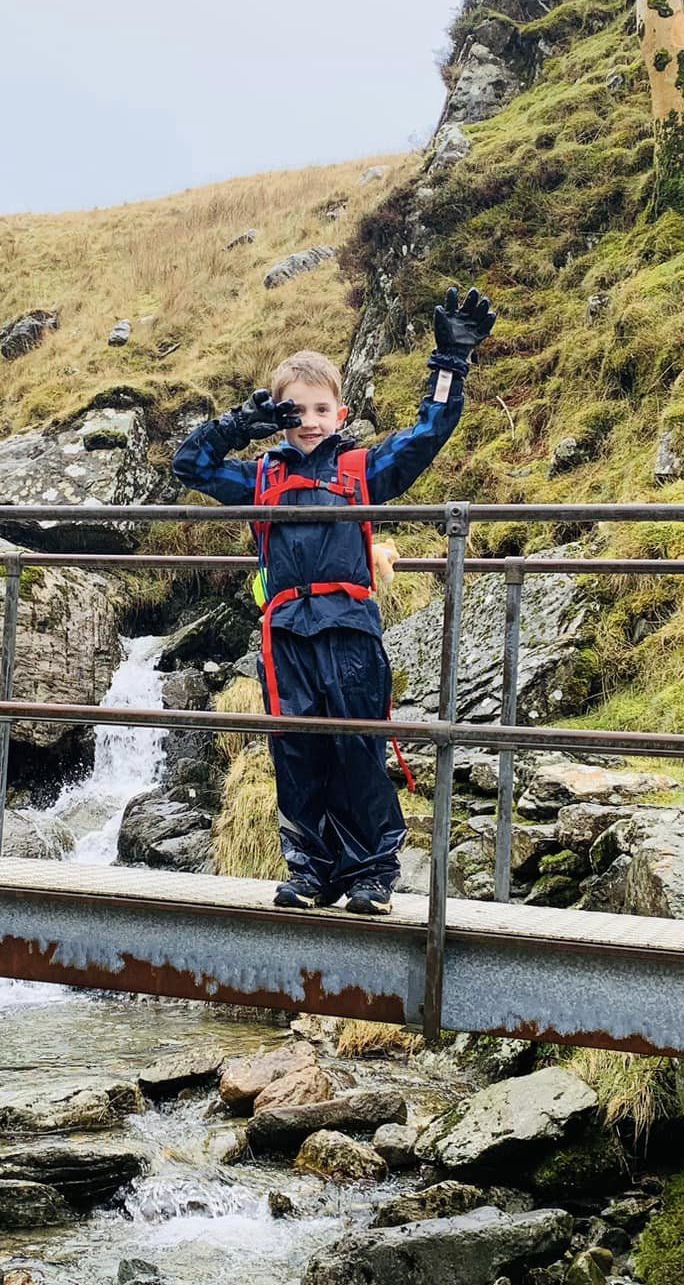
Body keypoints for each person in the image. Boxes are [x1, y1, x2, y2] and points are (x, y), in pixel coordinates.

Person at [174, 286, 494, 913]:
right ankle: (310, 870)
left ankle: (372, 875)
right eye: (295, 411)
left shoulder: (362, 471)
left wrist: (450, 365)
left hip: (348, 627)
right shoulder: (259, 477)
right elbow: (191, 464)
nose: (311, 421)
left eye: (322, 408)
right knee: (297, 752)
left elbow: (430, 433)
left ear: (341, 413)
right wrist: (240, 424)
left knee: (357, 748)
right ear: (278, 415)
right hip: (286, 633)